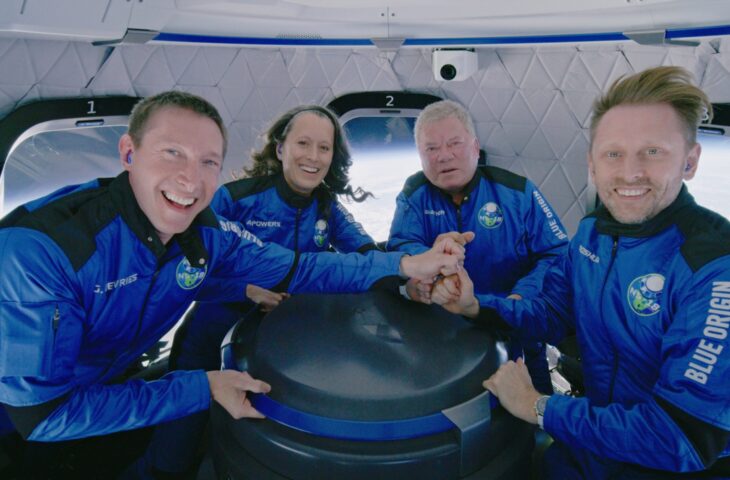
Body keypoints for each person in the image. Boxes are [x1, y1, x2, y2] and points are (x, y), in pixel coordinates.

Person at [0, 91, 464, 477]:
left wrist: (407, 268)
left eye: (208, 162)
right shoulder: (42, 252)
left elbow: (302, 268)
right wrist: (203, 383)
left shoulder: (206, 234)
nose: (190, 179)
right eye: (172, 153)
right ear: (128, 153)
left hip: (106, 386)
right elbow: (41, 415)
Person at [432, 66, 730, 478]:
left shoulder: (713, 267)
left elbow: (683, 437)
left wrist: (538, 407)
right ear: (592, 164)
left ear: (690, 161)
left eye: (653, 152)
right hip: (593, 446)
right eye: (613, 154)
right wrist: (475, 306)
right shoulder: (593, 234)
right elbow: (552, 312)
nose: (630, 172)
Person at [144, 104, 382, 477]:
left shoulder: (327, 207)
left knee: (252, 434)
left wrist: (410, 271)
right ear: (280, 148)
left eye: (324, 147)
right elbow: (186, 270)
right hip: (212, 331)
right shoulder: (236, 199)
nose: (313, 156)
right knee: (179, 437)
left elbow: (368, 253)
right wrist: (247, 290)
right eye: (303, 143)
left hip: (281, 341)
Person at [387, 99, 569, 395]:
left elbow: (557, 253)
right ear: (420, 156)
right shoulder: (413, 195)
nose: (444, 156)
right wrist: (433, 266)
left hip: (513, 326)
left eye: (454, 143)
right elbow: (400, 248)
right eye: (431, 149)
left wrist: (522, 295)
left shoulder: (518, 193)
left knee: (529, 410)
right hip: (444, 334)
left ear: (475, 147)